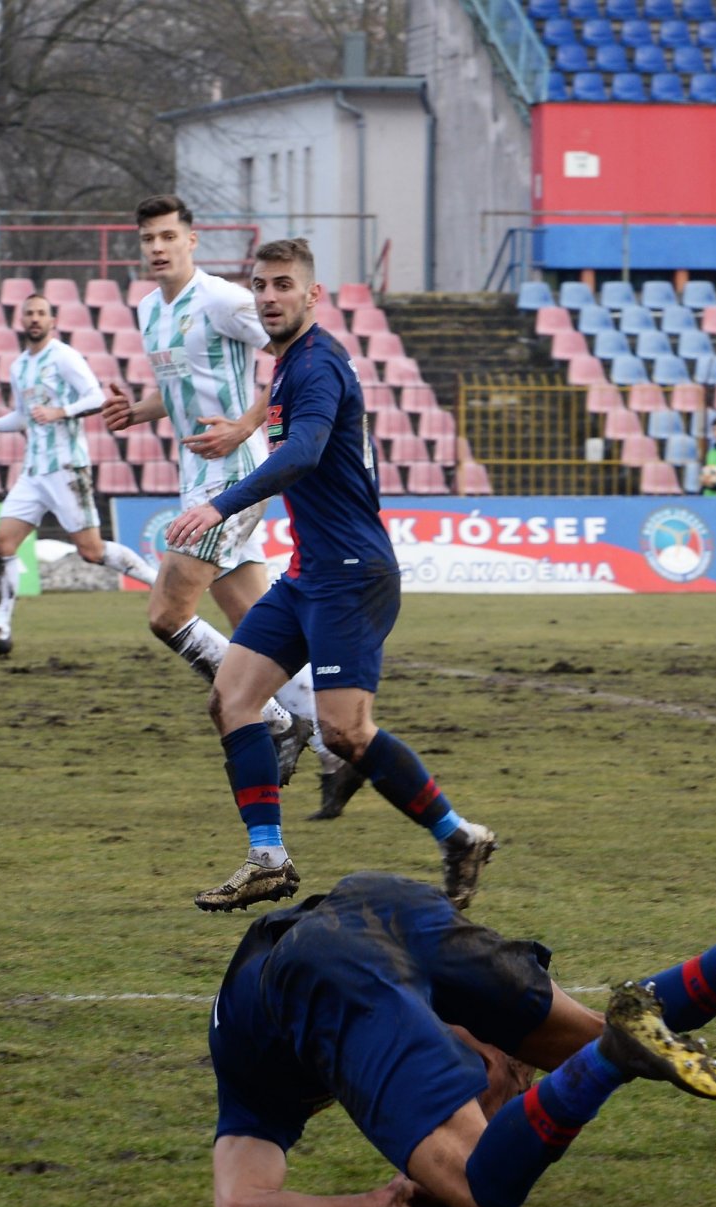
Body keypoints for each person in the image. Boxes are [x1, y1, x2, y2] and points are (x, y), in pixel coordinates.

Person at [206, 870, 716, 1207]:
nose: (508, 1083)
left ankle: (615, 1058)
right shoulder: (264, 1061)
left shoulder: (255, 1082)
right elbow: (237, 1204)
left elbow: (238, 1203)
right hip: (379, 899)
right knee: (583, 1034)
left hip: (324, 964)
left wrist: (378, 1199)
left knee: (479, 1195)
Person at [165, 238, 497, 913]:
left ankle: (459, 835)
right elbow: (285, 418)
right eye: (259, 285)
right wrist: (241, 429)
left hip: (352, 574)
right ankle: (267, 858)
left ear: (312, 295)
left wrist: (219, 503)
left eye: (283, 284)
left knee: (347, 732)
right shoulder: (290, 366)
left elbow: (308, 452)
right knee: (232, 698)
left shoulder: (316, 366)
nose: (268, 296)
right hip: (309, 571)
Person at [101, 194, 350, 804]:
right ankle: (337, 746)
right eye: (147, 239)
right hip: (195, 476)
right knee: (259, 628)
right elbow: (178, 385)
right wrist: (139, 409)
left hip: (233, 476)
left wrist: (245, 424)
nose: (156, 248)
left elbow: (295, 358)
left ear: (192, 240)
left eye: (167, 236)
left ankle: (272, 718)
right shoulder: (148, 310)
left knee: (166, 612)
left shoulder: (222, 299)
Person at [0, 294, 158, 657]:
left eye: (41, 313)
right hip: (33, 471)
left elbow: (95, 397)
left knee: (92, 551)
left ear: (53, 320)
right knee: (2, 544)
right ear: (22, 320)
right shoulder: (19, 366)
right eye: (29, 313)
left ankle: (159, 583)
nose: (34, 319)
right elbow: (24, 415)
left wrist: (60, 411)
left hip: (66, 467)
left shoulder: (64, 357)